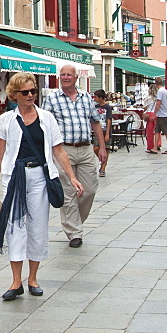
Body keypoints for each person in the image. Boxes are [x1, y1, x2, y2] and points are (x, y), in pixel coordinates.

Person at [0, 73, 83, 300]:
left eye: (33, 91)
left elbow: (58, 150)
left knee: (37, 227)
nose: (30, 96)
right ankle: (16, 281)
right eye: (25, 92)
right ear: (14, 95)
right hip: (15, 177)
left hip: (40, 176)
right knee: (15, 228)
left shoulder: (47, 118)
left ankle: (33, 278)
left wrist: (72, 176)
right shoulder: (6, 120)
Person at [41, 64, 106, 248]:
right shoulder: (52, 99)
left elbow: (95, 122)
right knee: (68, 192)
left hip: (85, 149)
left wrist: (101, 147)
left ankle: (75, 221)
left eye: (69, 75)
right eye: (63, 75)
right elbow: (45, 126)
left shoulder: (86, 97)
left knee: (90, 189)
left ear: (76, 77)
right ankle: (74, 233)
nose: (66, 77)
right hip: (63, 150)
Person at [93, 89, 113, 177]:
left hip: (105, 130)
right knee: (96, 148)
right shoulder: (95, 107)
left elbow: (109, 120)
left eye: (96, 97)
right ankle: (102, 161)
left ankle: (103, 168)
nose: (94, 98)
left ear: (101, 98)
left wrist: (108, 133)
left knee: (106, 148)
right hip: (98, 130)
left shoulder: (107, 107)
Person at [152, 78, 167, 154]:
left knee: (166, 131)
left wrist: (154, 113)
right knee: (157, 131)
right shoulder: (165, 91)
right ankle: (155, 147)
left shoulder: (160, 91)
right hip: (161, 114)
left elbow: (158, 103)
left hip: (162, 115)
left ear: (155, 84)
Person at [144, 83, 160, 154]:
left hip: (150, 114)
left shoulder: (148, 98)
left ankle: (150, 146)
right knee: (157, 130)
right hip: (157, 114)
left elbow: (145, 107)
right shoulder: (158, 98)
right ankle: (158, 143)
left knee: (149, 132)